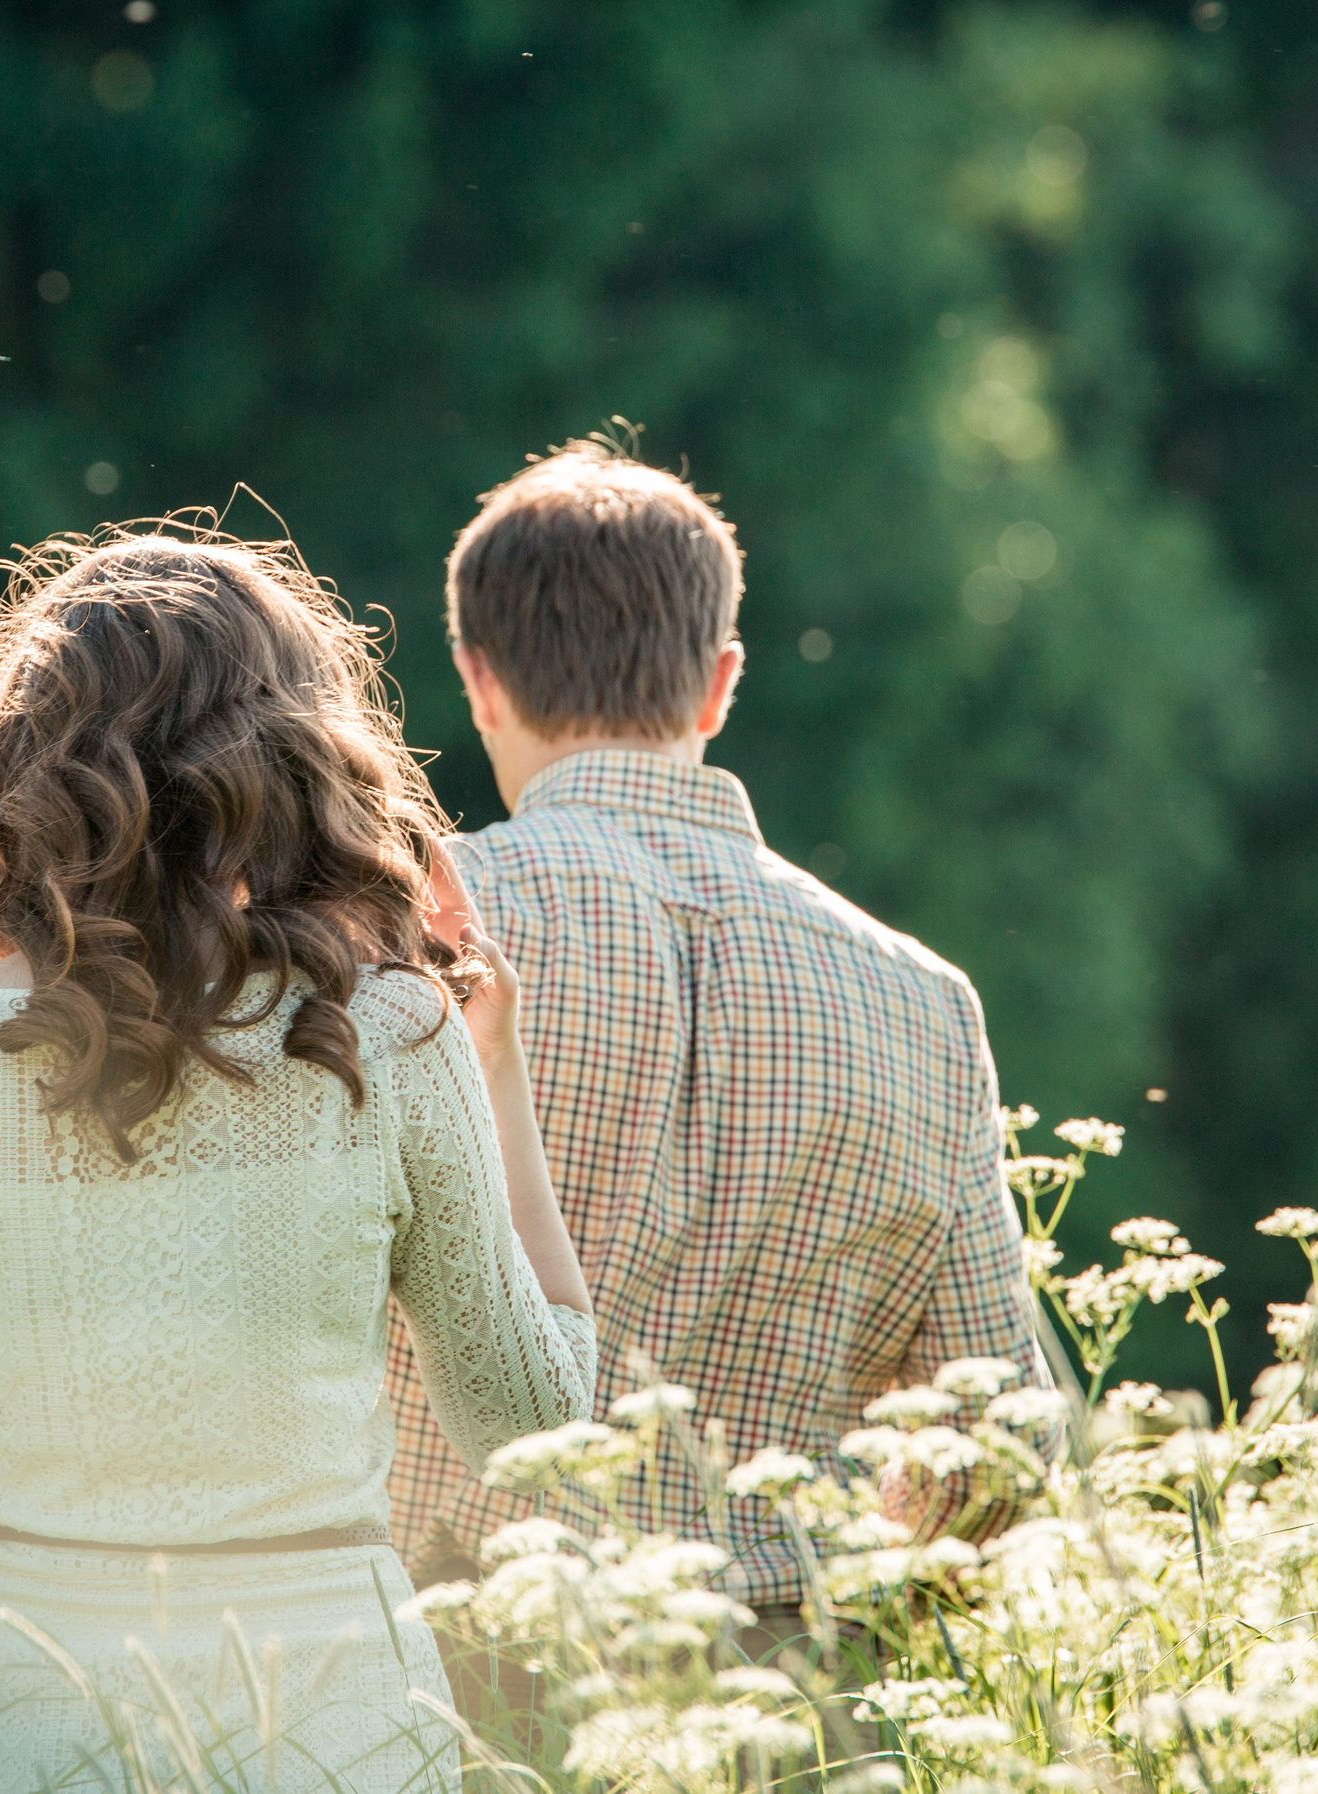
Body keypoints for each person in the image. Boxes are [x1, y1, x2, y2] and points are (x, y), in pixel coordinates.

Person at [0, 528, 597, 1793]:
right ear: (297, 758)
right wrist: (497, 1069)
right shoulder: (391, 1036)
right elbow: (536, 1428)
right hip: (334, 1736)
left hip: (1, 1733)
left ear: (16, 764)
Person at [387, 439, 1056, 1631]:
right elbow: (998, 1446)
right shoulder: (928, 1001)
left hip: (444, 1680)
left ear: (477, 680)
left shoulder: (412, 932)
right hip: (789, 1707)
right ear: (720, 682)